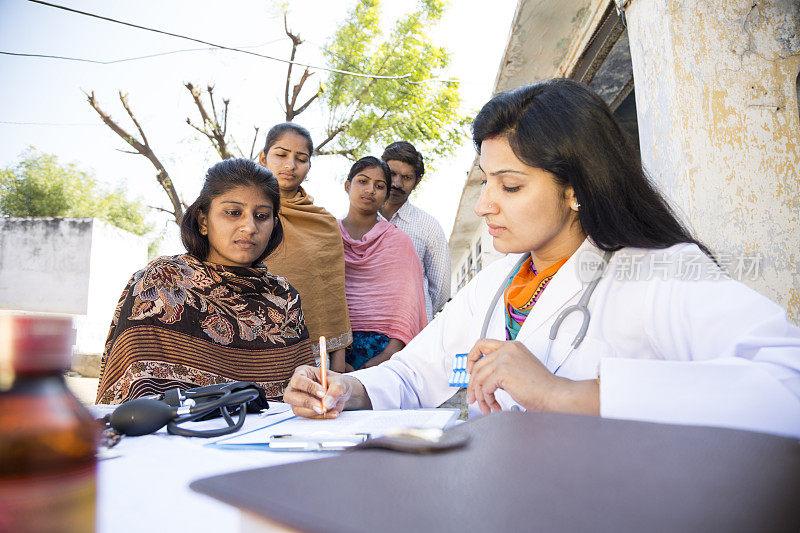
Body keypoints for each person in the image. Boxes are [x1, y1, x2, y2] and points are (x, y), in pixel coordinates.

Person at [282, 79, 800, 438]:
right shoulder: (494, 287)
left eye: (510, 185)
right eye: (487, 183)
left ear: (575, 187)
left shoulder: (657, 272)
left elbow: (786, 384)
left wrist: (563, 394)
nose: (486, 204)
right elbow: (416, 374)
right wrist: (345, 388)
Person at [96, 158, 313, 404]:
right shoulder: (161, 282)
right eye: (233, 213)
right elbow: (134, 400)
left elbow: (303, 398)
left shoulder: (285, 298)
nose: (249, 226)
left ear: (274, 224)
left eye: (262, 216)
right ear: (203, 221)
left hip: (269, 441)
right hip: (172, 439)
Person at [257, 122, 352, 367]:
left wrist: (338, 361)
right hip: (249, 348)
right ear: (262, 158)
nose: (290, 165)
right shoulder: (242, 216)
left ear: (309, 166)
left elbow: (331, 297)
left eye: (301, 158)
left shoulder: (323, 223)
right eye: (281, 155)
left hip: (312, 356)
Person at [338, 156, 427, 371]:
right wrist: (337, 360)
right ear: (347, 186)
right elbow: (321, 299)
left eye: (379, 186)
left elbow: (409, 305)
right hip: (333, 349)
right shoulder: (327, 236)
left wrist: (388, 355)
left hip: (385, 353)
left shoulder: (398, 242)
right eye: (363, 181)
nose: (370, 190)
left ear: (386, 195)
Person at [379, 141, 451, 321]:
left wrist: (417, 312)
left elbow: (440, 291)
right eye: (392, 174)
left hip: (413, 335)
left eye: (406, 177)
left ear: (417, 181)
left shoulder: (428, 227)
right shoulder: (359, 221)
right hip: (363, 334)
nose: (396, 183)